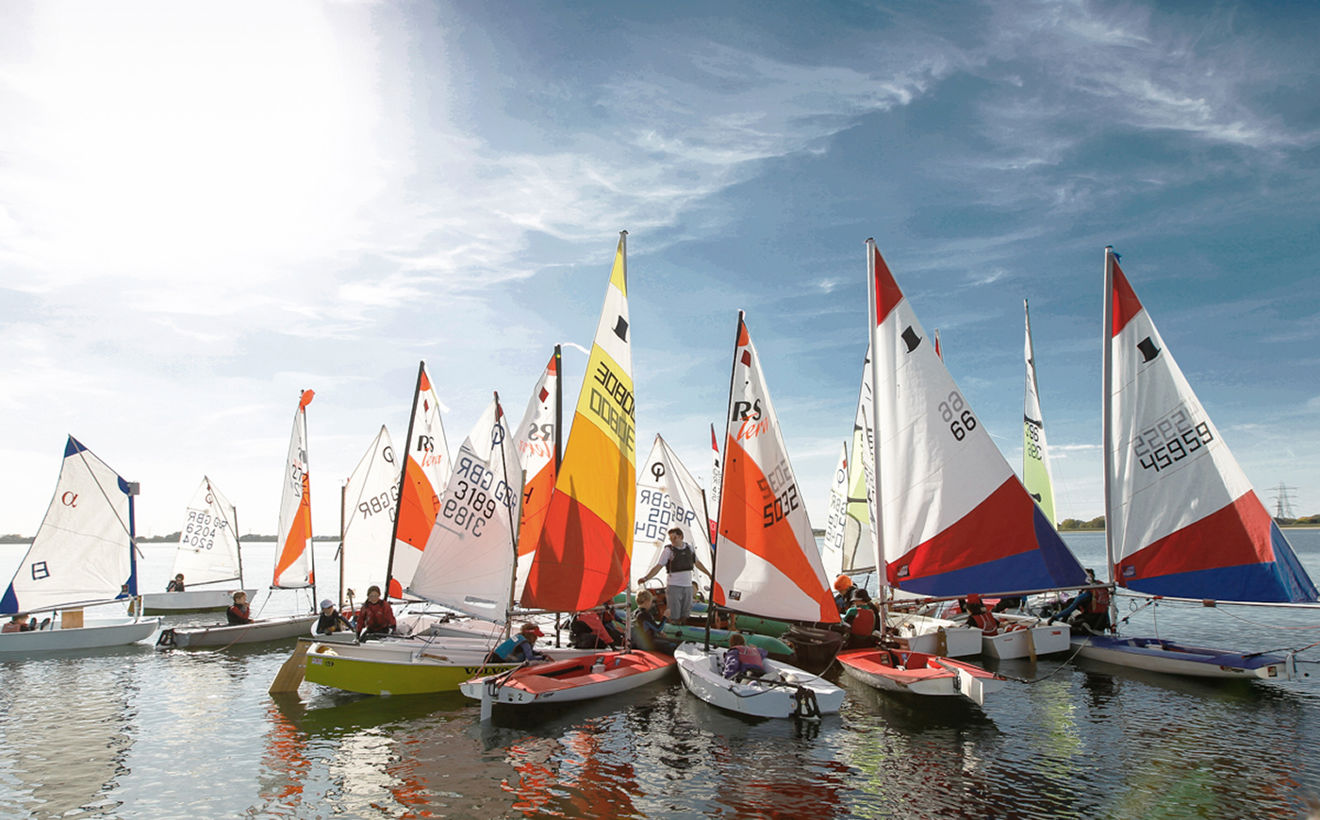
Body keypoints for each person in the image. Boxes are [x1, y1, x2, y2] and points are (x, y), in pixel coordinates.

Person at [636, 526, 712, 626]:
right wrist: (646, 578)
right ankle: (672, 627)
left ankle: (683, 628)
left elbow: (697, 563)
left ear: (681, 537)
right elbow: (659, 566)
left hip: (687, 586)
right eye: (671, 539)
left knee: (686, 613)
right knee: (674, 614)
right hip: (674, 586)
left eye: (674, 538)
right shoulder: (668, 551)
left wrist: (708, 574)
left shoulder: (689, 548)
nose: (672, 541)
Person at [1049, 569, 1112, 634]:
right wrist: (1109, 624)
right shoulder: (1101, 587)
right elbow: (1105, 608)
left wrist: (1055, 617)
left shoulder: (1086, 594)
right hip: (1102, 621)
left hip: (1092, 621)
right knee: (1070, 601)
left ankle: (1070, 625)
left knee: (1070, 627)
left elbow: (1071, 608)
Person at [631, 589, 678, 654]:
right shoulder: (644, 614)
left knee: (668, 641)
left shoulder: (634, 613)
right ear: (646, 601)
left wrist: (659, 632)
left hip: (637, 642)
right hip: (646, 643)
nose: (651, 604)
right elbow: (658, 628)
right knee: (672, 645)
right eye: (651, 602)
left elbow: (645, 626)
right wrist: (665, 617)